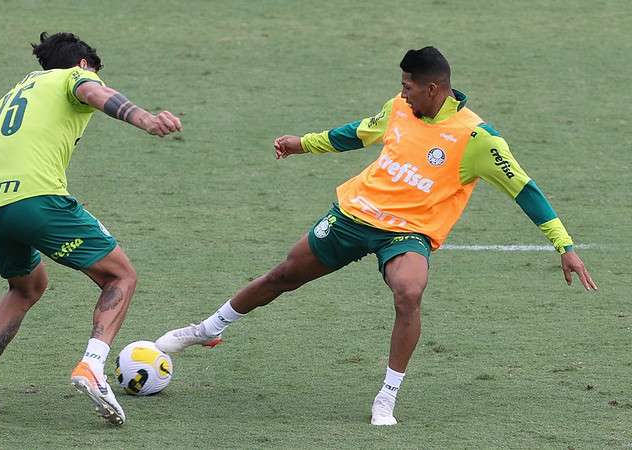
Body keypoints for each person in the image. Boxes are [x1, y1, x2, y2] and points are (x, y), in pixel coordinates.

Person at [155, 46, 597, 426]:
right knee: (282, 276)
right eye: (401, 83)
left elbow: (525, 190)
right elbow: (356, 133)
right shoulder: (400, 109)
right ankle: (206, 329)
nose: (402, 91)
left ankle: (387, 394)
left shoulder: (477, 138)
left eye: (409, 84)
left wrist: (566, 247)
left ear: (435, 88)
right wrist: (301, 143)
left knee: (409, 292)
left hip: (406, 234)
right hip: (353, 216)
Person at [0, 32, 182, 425]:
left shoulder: (7, 100)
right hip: (36, 201)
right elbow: (92, 92)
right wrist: (145, 119)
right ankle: (92, 365)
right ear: (83, 64)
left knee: (26, 286)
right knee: (120, 276)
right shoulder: (74, 77)